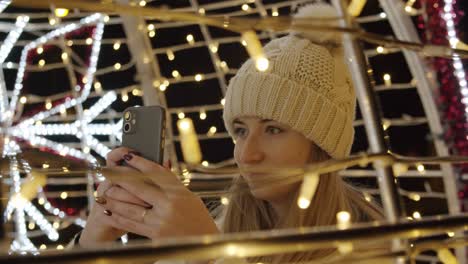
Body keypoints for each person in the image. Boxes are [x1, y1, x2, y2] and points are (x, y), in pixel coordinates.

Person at [76, 4, 388, 263]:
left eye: (273, 129)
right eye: (240, 130)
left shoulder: (371, 249)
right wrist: (93, 244)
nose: (246, 153)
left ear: (322, 144)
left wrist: (209, 252)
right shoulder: (221, 229)